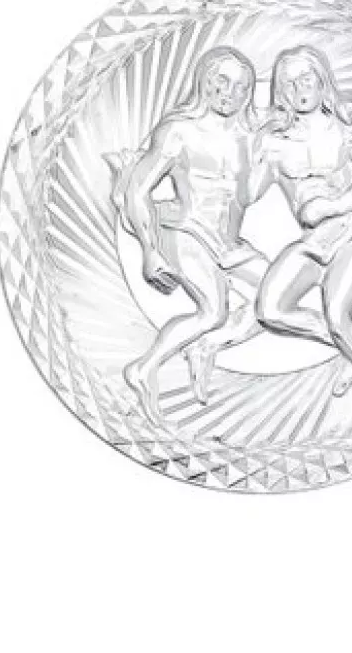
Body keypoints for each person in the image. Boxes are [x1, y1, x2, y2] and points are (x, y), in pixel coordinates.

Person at [251, 45, 352, 438]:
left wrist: (336, 207)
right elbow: (247, 194)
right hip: (314, 241)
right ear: (279, 90)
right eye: (289, 83)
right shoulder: (274, 139)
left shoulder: (347, 118)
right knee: (270, 309)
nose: (299, 89)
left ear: (322, 79)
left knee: (339, 313)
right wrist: (249, 147)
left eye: (306, 78)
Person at [105, 46, 265, 424]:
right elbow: (138, 190)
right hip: (185, 229)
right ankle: (143, 369)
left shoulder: (251, 135)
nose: (230, 93)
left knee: (276, 297)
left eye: (241, 87)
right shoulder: (178, 131)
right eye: (222, 81)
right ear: (204, 81)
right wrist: (149, 251)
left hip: (229, 243)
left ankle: (206, 345)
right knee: (213, 310)